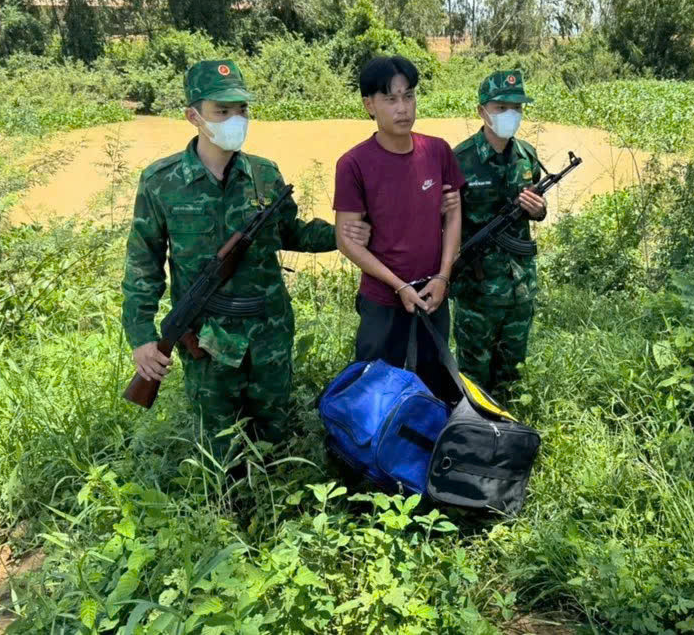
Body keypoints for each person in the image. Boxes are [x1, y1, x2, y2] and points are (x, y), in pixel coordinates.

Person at [121, 59, 371, 459]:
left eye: (242, 109)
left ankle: (272, 510)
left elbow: (291, 232)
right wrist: (142, 336)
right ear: (193, 116)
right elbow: (143, 265)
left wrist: (344, 234)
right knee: (221, 449)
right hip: (207, 341)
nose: (235, 119)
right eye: (222, 111)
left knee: (275, 438)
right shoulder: (160, 182)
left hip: (268, 333)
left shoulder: (263, 175)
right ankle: (225, 514)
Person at [334, 55, 465, 389]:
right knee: (375, 387)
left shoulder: (437, 151)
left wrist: (443, 277)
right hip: (383, 299)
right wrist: (400, 286)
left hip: (434, 292)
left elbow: (453, 215)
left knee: (435, 380)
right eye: (390, 99)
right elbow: (346, 240)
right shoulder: (353, 164)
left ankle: (430, 439)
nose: (402, 108)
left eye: (408, 96)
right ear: (369, 105)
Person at [451, 70, 547, 391]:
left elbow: (539, 208)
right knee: (472, 379)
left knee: (511, 376)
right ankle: (474, 434)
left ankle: (509, 434)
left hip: (520, 287)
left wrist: (539, 210)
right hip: (477, 293)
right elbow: (443, 224)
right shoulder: (458, 160)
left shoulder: (527, 157)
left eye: (517, 108)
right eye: (501, 107)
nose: (510, 115)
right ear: (481, 111)